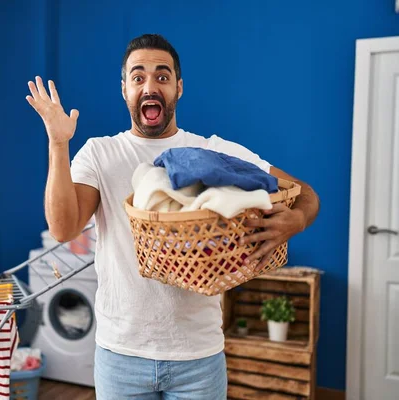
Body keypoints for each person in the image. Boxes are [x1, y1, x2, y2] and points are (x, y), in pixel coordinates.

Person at [26, 33, 320, 400]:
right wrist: (57, 143)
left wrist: (297, 220)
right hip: (121, 355)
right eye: (138, 77)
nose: (150, 86)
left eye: (162, 77)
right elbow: (63, 228)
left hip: (198, 356)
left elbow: (304, 192)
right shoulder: (100, 154)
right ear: (124, 90)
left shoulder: (212, 151)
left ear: (178, 87)